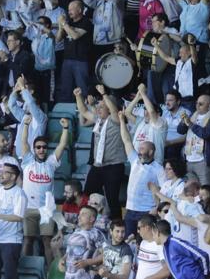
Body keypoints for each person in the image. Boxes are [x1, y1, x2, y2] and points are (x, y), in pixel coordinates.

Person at [21, 116, 69, 263]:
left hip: (46, 210)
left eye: (44, 147)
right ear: (34, 149)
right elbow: (24, 142)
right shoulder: (27, 161)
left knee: (47, 241)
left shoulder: (51, 163)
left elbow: (62, 145)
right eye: (38, 147)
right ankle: (25, 270)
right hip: (28, 208)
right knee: (28, 240)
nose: (41, 149)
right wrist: (26, 125)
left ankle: (49, 272)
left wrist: (65, 128)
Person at [74, 87, 125, 218]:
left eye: (102, 106)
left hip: (113, 166)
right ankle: (88, 220)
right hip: (97, 166)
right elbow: (84, 111)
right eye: (99, 106)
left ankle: (116, 226)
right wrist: (78, 97)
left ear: (110, 107)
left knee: (112, 198)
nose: (98, 108)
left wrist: (104, 94)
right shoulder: (98, 120)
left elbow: (114, 110)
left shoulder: (116, 120)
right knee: (88, 195)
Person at [118, 110, 165, 239]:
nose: (139, 151)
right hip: (130, 209)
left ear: (151, 152)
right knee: (128, 240)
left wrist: (156, 209)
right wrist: (122, 120)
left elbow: (165, 191)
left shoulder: (159, 169)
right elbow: (126, 140)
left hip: (146, 212)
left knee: (143, 242)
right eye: (139, 149)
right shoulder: (135, 161)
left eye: (142, 149)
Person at [0, 163, 27, 279]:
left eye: (4, 172)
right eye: (0, 171)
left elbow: (19, 217)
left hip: (12, 241)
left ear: (13, 177)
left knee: (10, 275)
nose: (0, 174)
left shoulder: (19, 193)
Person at [177, 94, 210, 185]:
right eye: (196, 103)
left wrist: (190, 124)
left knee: (206, 191)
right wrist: (183, 122)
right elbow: (180, 131)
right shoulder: (193, 115)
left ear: (209, 106)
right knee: (191, 191)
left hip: (203, 161)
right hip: (189, 159)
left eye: (201, 104)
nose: (197, 106)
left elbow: (206, 134)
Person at [61, 205, 107, 279]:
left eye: (83, 214)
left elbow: (106, 255)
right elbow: (69, 251)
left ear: (92, 219)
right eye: (79, 214)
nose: (79, 217)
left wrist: (88, 262)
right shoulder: (75, 232)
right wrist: (63, 259)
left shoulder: (97, 234)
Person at [134, 215, 170, 279]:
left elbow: (167, 270)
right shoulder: (143, 242)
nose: (138, 231)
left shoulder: (159, 245)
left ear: (147, 228)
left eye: (139, 228)